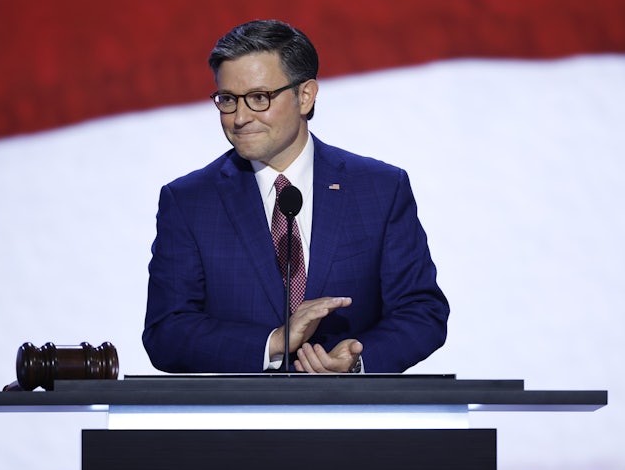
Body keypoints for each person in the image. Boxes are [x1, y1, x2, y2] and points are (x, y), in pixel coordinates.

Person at [143, 19, 449, 373]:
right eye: (227, 100)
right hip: (239, 422)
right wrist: (273, 342)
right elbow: (166, 333)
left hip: (352, 420)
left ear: (305, 96)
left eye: (259, 98)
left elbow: (421, 312)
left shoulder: (380, 188)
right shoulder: (189, 202)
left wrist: (357, 361)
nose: (240, 118)